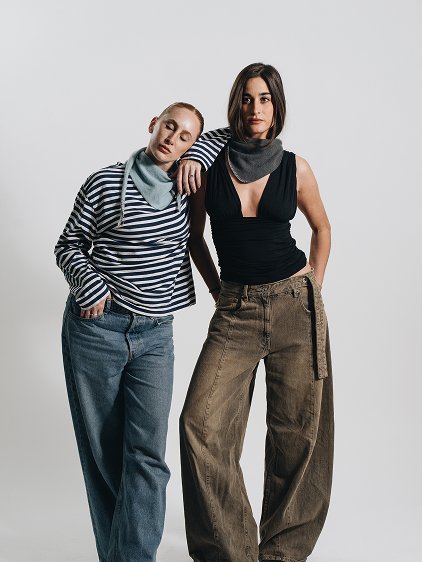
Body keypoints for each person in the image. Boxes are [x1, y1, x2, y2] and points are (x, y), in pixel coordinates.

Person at [178, 63, 334, 562]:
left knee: (297, 435)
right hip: (235, 310)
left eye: (264, 98)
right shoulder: (209, 165)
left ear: (277, 105)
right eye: (247, 98)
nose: (255, 108)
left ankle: (282, 555)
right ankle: (234, 553)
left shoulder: (296, 167)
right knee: (199, 425)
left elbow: (322, 229)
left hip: (295, 305)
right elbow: (193, 238)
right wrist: (217, 290)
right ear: (236, 105)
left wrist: (312, 288)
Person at [54, 102, 208, 562]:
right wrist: (89, 283)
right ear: (153, 124)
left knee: (147, 458)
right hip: (97, 329)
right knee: (105, 454)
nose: (172, 138)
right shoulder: (104, 182)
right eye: (169, 126)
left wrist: (199, 156)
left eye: (185, 137)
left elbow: (233, 136)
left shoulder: (189, 185)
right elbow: (68, 244)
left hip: (156, 335)